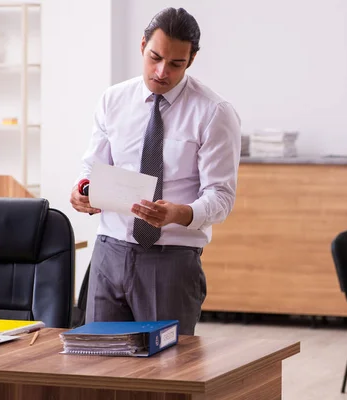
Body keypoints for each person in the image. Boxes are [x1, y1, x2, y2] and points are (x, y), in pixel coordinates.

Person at [70, 7, 241, 335]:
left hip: (171, 258)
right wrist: (83, 188)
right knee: (96, 366)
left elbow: (221, 196)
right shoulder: (114, 100)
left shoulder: (214, 113)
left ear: (191, 60)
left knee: (166, 372)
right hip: (109, 251)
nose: (162, 71)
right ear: (143, 45)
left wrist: (181, 213)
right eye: (155, 57)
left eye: (176, 63)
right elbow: (93, 164)